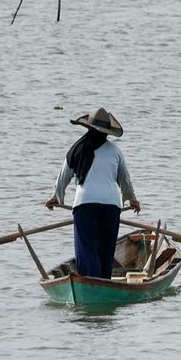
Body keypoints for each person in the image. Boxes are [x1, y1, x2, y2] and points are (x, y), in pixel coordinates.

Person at [45, 106, 141, 279]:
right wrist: (132, 200)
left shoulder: (77, 149)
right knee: (106, 251)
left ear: (88, 128)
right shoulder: (115, 151)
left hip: (85, 206)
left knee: (88, 251)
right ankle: (104, 283)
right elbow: (125, 180)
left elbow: (63, 177)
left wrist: (56, 198)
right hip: (111, 207)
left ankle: (90, 285)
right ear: (106, 132)